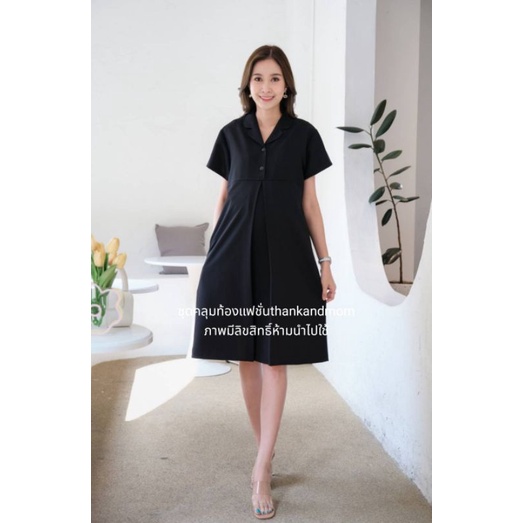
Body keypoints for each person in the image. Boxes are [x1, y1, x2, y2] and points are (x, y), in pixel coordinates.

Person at [192, 44, 336, 520]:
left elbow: (310, 204)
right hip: (233, 253)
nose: (266, 86)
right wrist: (212, 254)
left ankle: (259, 468)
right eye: (258, 78)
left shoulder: (304, 135)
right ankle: (265, 457)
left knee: (276, 359)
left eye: (275, 78)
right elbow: (225, 196)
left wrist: (326, 262)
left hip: (287, 257)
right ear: (247, 84)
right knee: (248, 359)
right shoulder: (231, 134)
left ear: (287, 85)